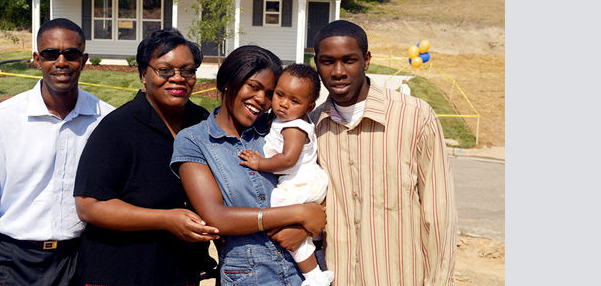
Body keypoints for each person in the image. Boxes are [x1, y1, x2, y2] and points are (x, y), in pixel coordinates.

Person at [0, 18, 115, 286]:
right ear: (37, 59)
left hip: (77, 259)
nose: (61, 62)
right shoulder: (2, 120)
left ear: (84, 60)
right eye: (51, 54)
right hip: (14, 260)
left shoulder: (105, 120)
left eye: (71, 54)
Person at [311, 20, 458, 286]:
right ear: (316, 64)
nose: (339, 71)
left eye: (349, 60)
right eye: (327, 61)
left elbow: (439, 215)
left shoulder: (415, 117)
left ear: (367, 61)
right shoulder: (311, 129)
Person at [73, 28, 219, 286]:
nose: (178, 78)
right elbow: (89, 205)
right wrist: (165, 219)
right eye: (165, 70)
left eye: (188, 70)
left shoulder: (202, 123)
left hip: (180, 271)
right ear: (143, 74)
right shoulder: (117, 128)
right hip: (120, 271)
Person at [172, 45, 328, 286]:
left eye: (269, 93)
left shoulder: (278, 130)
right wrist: (299, 214)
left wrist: (304, 228)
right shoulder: (194, 141)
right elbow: (216, 217)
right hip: (250, 277)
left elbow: (311, 176)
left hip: (305, 274)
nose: (261, 100)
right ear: (228, 81)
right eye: (253, 87)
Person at [236, 64, 333, 286]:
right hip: (306, 181)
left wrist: (259, 163)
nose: (284, 104)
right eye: (279, 95)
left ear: (309, 107)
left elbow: (288, 159)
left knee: (278, 215)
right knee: (296, 233)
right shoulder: (285, 120)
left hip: (301, 182)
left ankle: (314, 277)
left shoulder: (294, 128)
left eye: (294, 101)